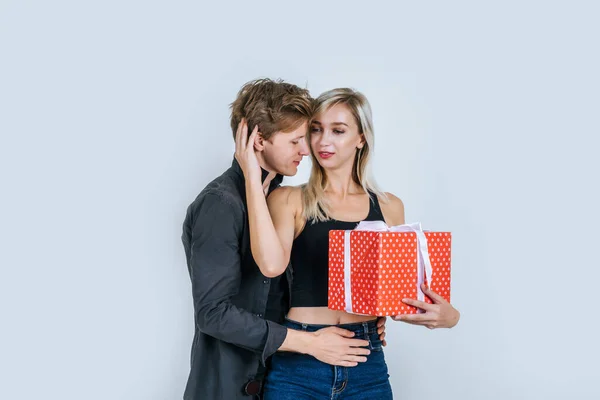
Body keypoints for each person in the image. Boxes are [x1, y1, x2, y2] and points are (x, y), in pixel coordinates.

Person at [235, 88, 461, 399]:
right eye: (316, 130)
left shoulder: (390, 206)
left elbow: (401, 294)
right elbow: (271, 266)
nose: (323, 141)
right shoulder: (289, 198)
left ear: (361, 138)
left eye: (338, 131)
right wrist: (251, 177)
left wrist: (448, 317)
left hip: (365, 361)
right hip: (299, 363)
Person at [182, 79, 386, 400]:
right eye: (295, 141)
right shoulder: (221, 203)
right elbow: (213, 313)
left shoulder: (279, 197)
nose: (308, 150)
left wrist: (367, 318)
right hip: (232, 385)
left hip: (282, 374)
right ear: (258, 140)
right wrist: (308, 342)